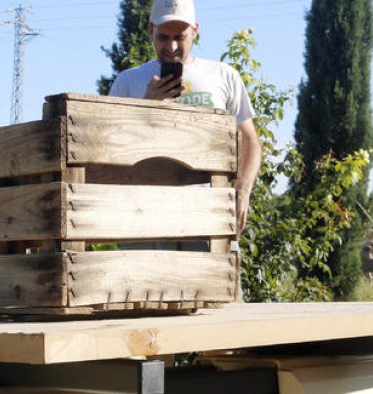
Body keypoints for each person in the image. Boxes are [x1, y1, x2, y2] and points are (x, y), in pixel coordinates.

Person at [109, 0, 262, 234]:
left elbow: (250, 140)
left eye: (180, 37)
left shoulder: (223, 75)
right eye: (163, 37)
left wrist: (243, 190)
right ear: (150, 30)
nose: (171, 46)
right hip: (144, 214)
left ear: (195, 31)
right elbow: (107, 146)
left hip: (209, 212)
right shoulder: (128, 81)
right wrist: (146, 107)